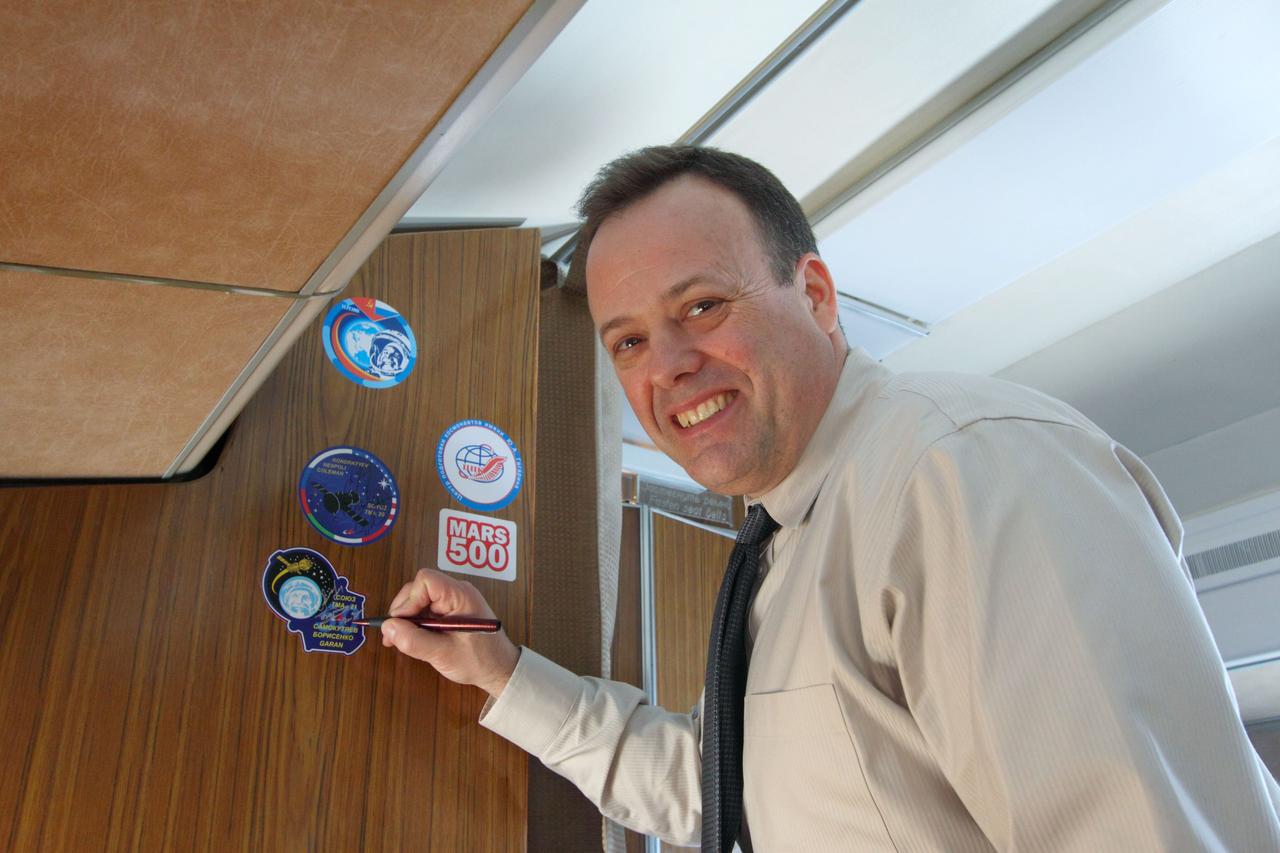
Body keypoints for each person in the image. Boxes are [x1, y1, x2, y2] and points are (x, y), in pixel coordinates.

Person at [381, 146, 1280, 850]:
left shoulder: (964, 470)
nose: (668, 366)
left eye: (701, 306)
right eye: (629, 341)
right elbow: (715, 788)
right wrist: (501, 671)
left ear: (813, 294)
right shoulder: (786, 538)